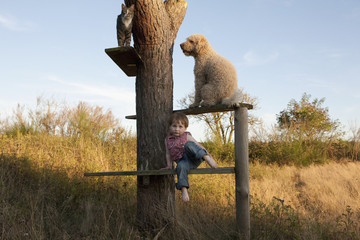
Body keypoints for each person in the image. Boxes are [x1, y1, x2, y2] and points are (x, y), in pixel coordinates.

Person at [161, 112, 217, 202]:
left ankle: (206, 158)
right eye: (174, 126)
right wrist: (169, 165)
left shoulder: (186, 135)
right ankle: (184, 189)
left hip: (194, 157)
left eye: (180, 127)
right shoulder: (167, 139)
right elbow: (168, 153)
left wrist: (209, 154)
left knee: (189, 145)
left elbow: (197, 145)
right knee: (180, 166)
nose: (177, 129)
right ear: (170, 127)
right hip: (183, 162)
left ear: (185, 128)